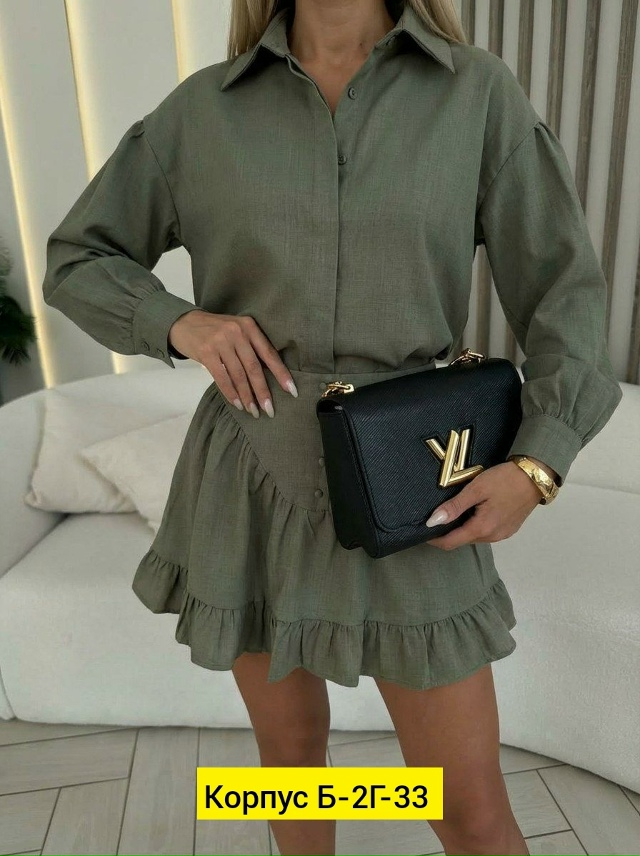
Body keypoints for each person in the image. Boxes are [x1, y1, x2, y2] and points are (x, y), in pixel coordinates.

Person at [41, 0, 623, 853]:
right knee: (291, 772)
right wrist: (179, 323)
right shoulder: (203, 110)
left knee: (468, 809)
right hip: (251, 471)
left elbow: (565, 291)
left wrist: (540, 462)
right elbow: (78, 255)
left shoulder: (476, 95)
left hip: (414, 477)